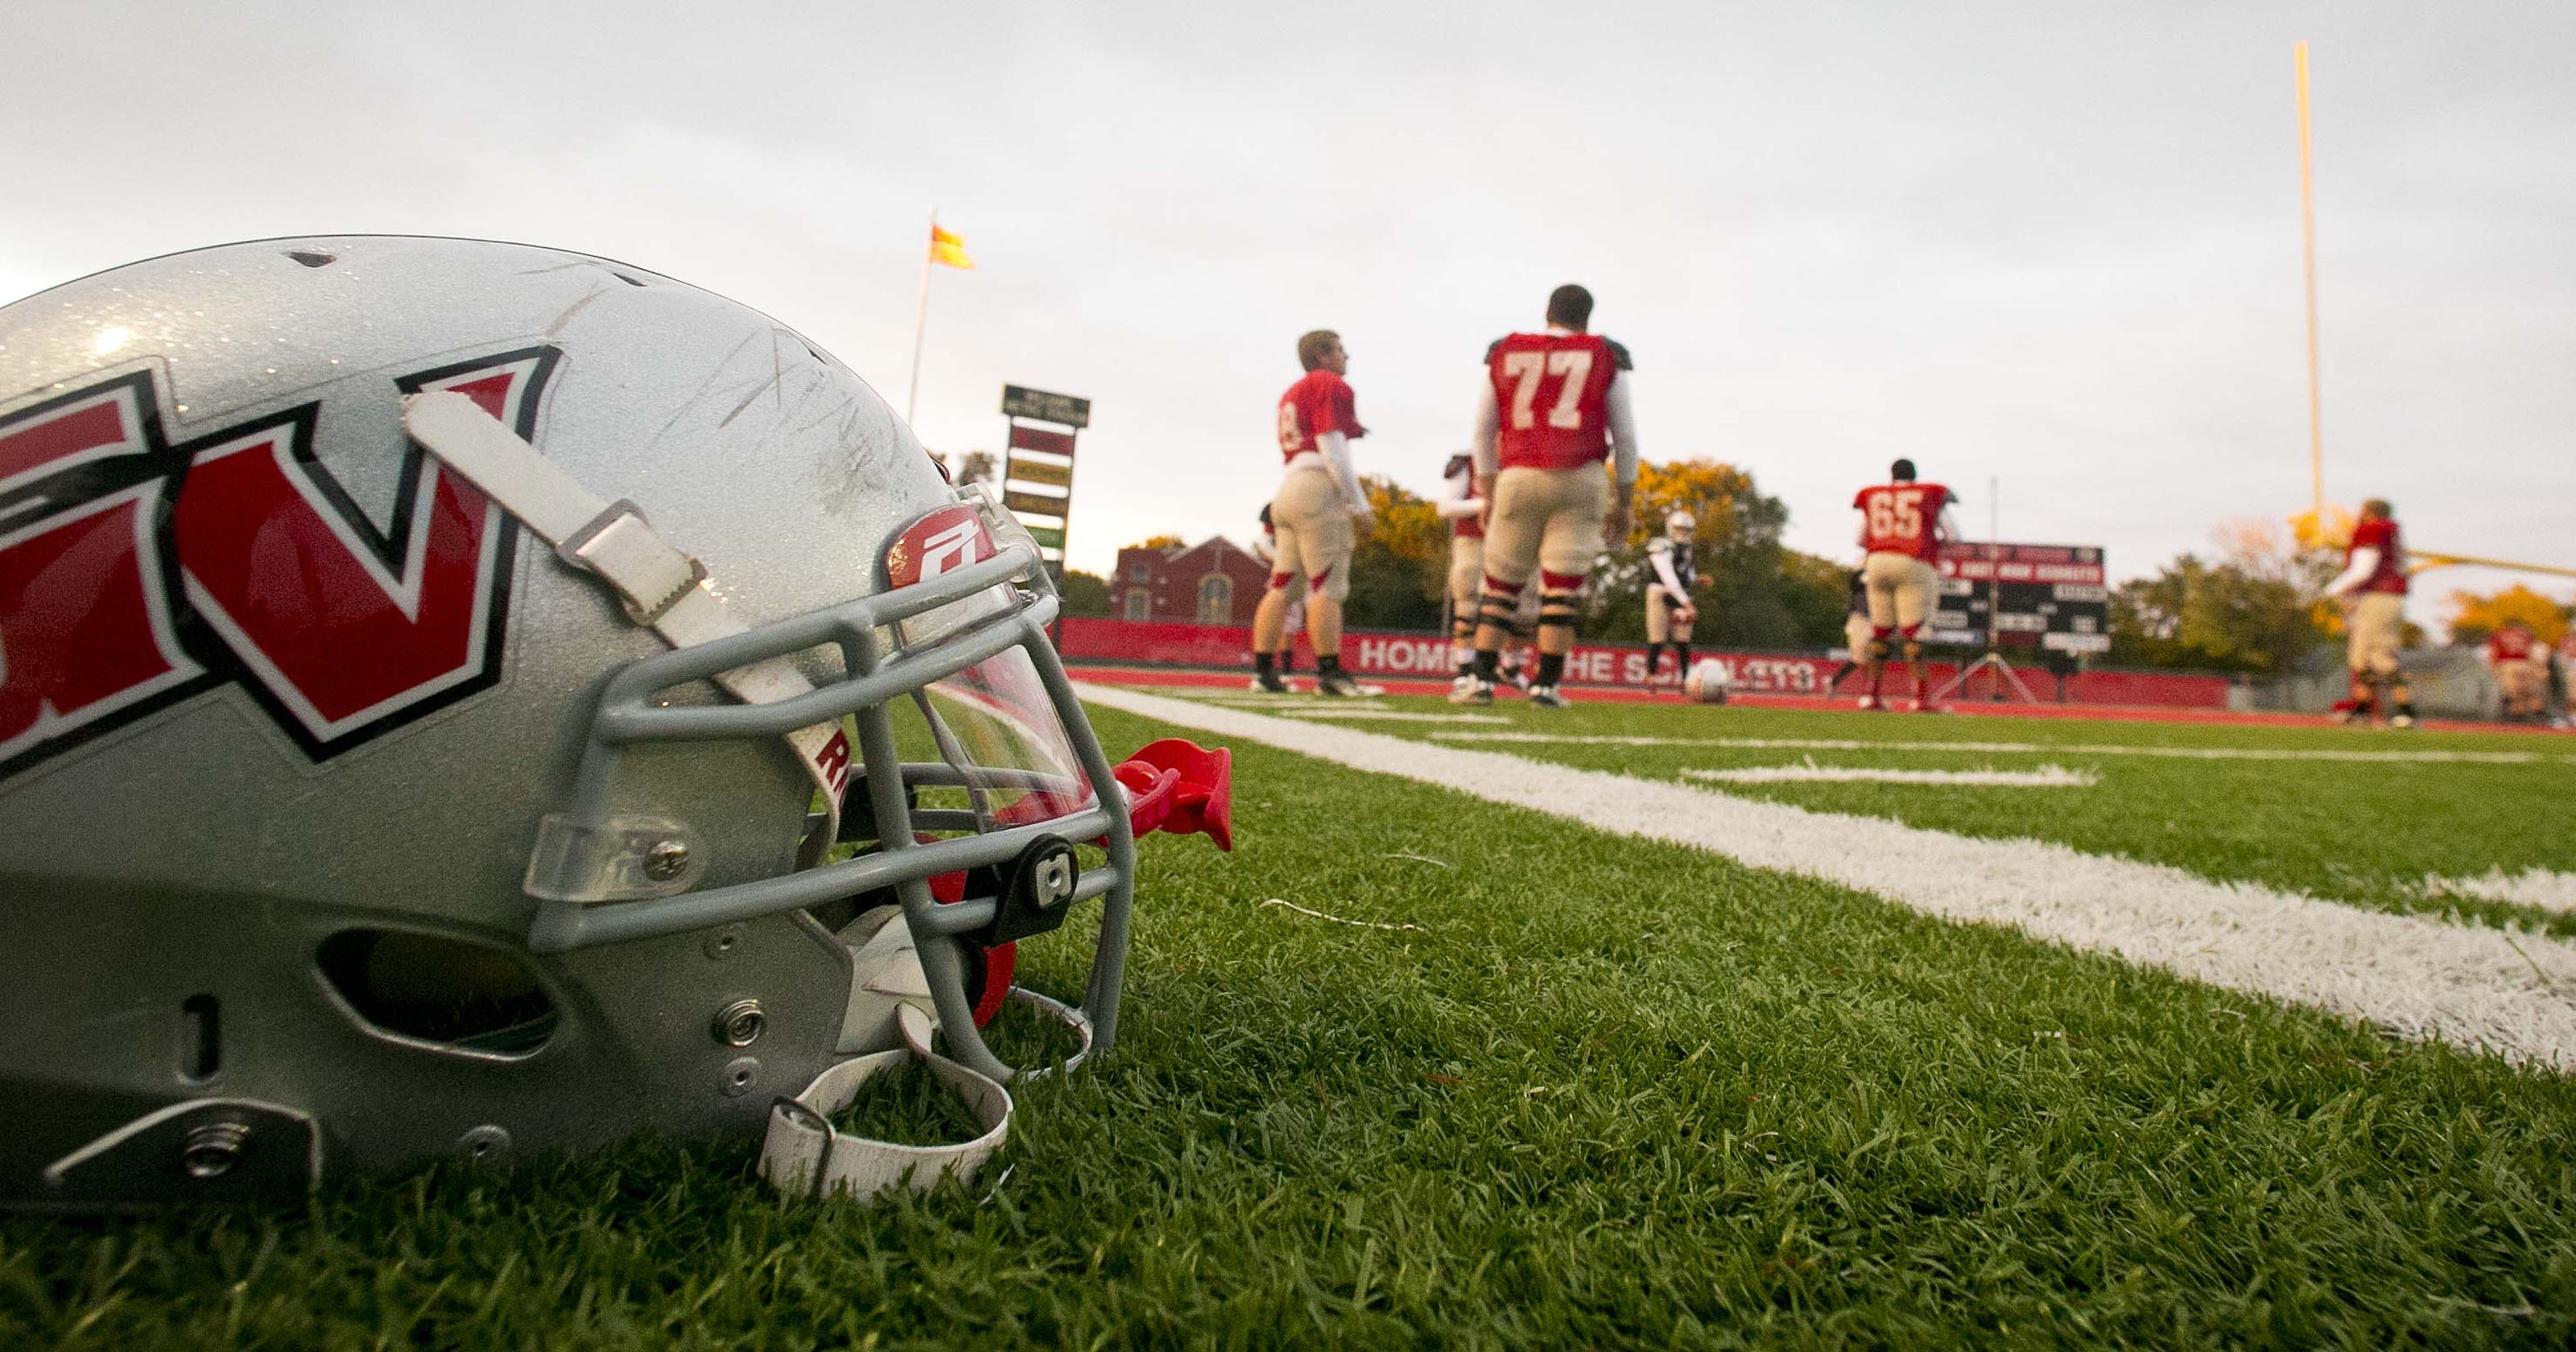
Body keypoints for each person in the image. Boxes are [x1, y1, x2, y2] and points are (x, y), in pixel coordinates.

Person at [1463, 284, 1639, 709]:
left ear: (1547, 312)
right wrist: (1626, 500)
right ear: (1588, 317)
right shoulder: (1604, 354)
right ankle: (1546, 685)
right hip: (1580, 476)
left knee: (1500, 586)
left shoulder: (1506, 350)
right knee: (1561, 588)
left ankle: (1480, 679)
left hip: (1520, 473)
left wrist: (1487, 491)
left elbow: (1483, 432)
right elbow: (1626, 435)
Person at [1251, 330, 1374, 696]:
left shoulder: (1293, 391)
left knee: (1283, 585)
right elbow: (1331, 447)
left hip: (1287, 490)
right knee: (1329, 585)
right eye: (1340, 349)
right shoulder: (1328, 383)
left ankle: (1263, 671)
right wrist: (1359, 505)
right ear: (1323, 354)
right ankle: (1331, 674)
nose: (1346, 356)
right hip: (1317, 489)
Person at [1852, 459, 1958, 711]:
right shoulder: (1928, 494)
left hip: (1876, 562)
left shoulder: (1874, 496)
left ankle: (1872, 696)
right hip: (1913, 561)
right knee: (1914, 634)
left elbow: (1859, 539)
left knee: (1881, 632)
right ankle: (1920, 700)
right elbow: (1953, 535)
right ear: (1915, 475)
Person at [2323, 497, 2417, 728]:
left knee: (2380, 655)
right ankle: (2362, 709)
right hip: (2384, 598)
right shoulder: (2392, 534)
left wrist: (2331, 591)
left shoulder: (2374, 529)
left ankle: (2406, 711)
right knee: (2363, 656)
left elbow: (2363, 569)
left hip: (2378, 597)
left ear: (2369, 512)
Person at [1247, 504, 1304, 689]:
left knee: (1291, 626)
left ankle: (1326, 669)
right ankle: (1274, 671)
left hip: (1307, 572)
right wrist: (1283, 559)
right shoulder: (1281, 507)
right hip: (1289, 571)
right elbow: (1264, 542)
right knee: (1285, 620)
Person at [1643, 509, 1699, 685]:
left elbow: (1685, 572)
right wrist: (1687, 603)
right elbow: (1668, 578)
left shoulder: (1687, 549)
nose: (1683, 533)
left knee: (1683, 639)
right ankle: (1652, 676)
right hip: (1661, 592)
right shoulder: (1661, 546)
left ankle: (1685, 679)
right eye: (1679, 528)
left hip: (1680, 592)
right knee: (1657, 637)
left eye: (1686, 529)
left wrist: (1696, 579)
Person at [2484, 619, 2549, 723]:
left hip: (2508, 664)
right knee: (2528, 690)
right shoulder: (2525, 634)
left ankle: (2519, 711)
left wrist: (2492, 667)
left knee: (2513, 691)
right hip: (2523, 664)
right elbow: (2534, 652)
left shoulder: (2500, 635)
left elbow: (2494, 652)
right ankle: (2530, 709)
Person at [1827, 568, 1872, 695]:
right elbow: (1853, 581)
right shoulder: (1859, 585)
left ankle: (1870, 691)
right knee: (1859, 657)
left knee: (1870, 656)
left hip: (1875, 620)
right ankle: (1835, 682)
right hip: (1860, 619)